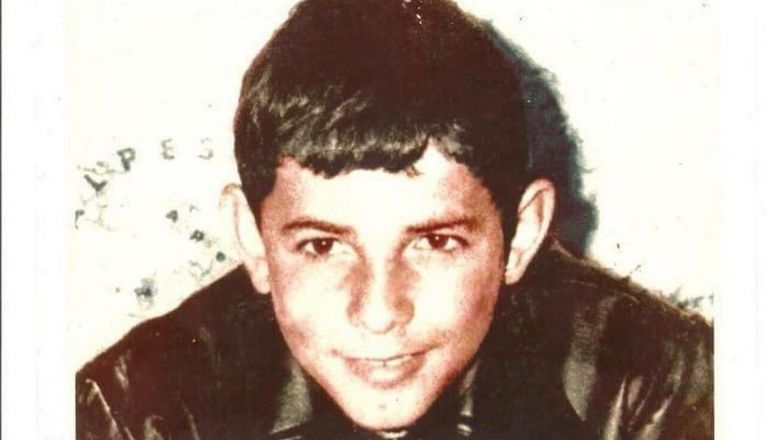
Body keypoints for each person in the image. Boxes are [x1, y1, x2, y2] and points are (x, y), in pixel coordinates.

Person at [76, 0, 713, 438]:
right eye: (322, 246)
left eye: (435, 241)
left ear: (521, 235)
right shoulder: (144, 411)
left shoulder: (652, 387)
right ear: (253, 239)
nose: (379, 311)